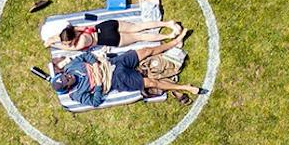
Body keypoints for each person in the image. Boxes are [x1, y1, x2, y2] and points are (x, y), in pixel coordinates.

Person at [52, 44, 201, 107]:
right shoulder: (77, 94)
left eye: (66, 75)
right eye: (67, 80)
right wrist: (98, 84)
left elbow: (85, 56)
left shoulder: (70, 67)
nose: (69, 77)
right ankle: (185, 88)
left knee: (145, 51)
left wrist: (96, 65)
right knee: (151, 83)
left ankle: (173, 43)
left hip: (112, 62)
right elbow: (95, 102)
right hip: (116, 80)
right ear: (67, 87)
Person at [54, 17, 185, 50]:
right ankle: (168, 23)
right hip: (106, 26)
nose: (69, 44)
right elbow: (65, 37)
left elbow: (70, 48)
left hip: (108, 38)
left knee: (139, 36)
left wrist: (53, 45)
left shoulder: (81, 42)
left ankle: (169, 36)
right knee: (138, 27)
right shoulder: (76, 29)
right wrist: (54, 39)